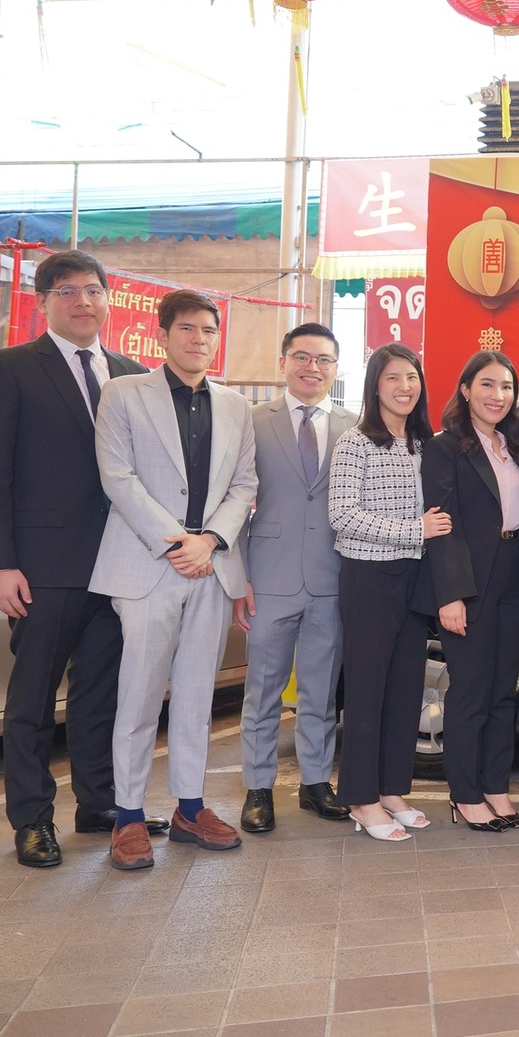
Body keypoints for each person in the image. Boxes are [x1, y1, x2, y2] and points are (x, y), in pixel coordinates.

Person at [0, 251, 159, 868]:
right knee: (33, 698)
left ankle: (99, 803)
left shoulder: (131, 374)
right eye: (67, 291)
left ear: (108, 300)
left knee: (101, 694)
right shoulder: (7, 368)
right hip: (44, 566)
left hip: (119, 564)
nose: (83, 301)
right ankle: (31, 818)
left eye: (93, 290)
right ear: (43, 301)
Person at [90, 289, 258, 871]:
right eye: (187, 328)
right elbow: (118, 478)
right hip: (148, 566)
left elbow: (244, 485)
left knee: (196, 696)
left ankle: (190, 808)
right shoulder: (123, 394)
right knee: (138, 694)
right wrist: (176, 543)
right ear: (162, 335)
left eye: (208, 330)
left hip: (211, 566)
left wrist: (209, 541)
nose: (198, 339)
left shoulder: (236, 406)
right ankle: (129, 817)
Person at [231, 324, 354, 834]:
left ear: (335, 368)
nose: (312, 368)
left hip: (332, 579)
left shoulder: (354, 425)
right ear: (283, 362)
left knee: (320, 692)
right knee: (262, 689)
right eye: (302, 357)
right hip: (268, 577)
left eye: (324, 360)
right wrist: (238, 576)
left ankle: (315, 783)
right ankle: (258, 788)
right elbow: (234, 500)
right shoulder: (251, 420)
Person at [328, 343, 447, 842]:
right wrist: (414, 530)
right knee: (366, 691)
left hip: (414, 578)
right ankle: (361, 797)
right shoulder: (356, 442)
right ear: (375, 385)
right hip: (369, 578)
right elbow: (342, 515)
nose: (405, 386)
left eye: (412, 377)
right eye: (393, 377)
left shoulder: (424, 444)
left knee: (404, 690)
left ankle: (393, 790)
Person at [422, 350, 519, 833]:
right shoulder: (445, 448)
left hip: (513, 575)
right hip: (469, 580)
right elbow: (442, 525)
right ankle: (465, 795)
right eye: (487, 384)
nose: (498, 395)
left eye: (506, 387)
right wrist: (450, 595)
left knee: (503, 692)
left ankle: (496, 787)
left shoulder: (516, 447)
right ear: (465, 390)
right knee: (469, 693)